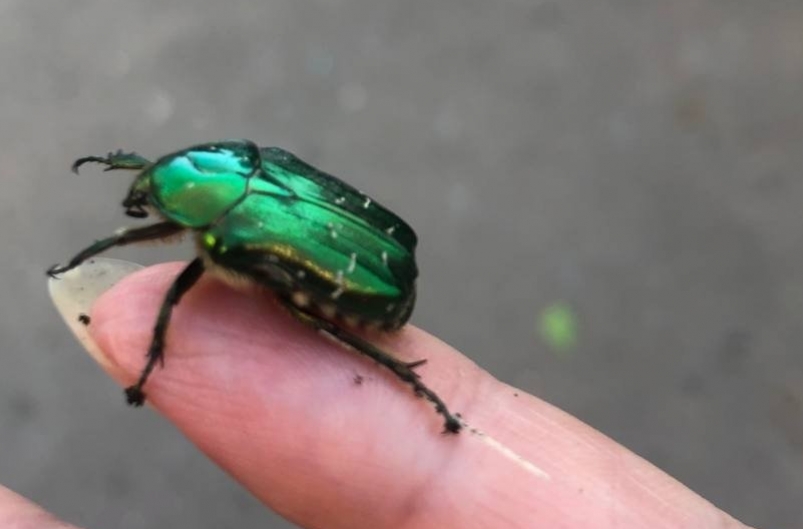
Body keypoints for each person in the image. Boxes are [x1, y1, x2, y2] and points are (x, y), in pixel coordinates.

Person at [8, 263, 752, 528]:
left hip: (363, 284)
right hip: (369, 258)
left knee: (309, 322)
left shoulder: (226, 231)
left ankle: (409, 381)